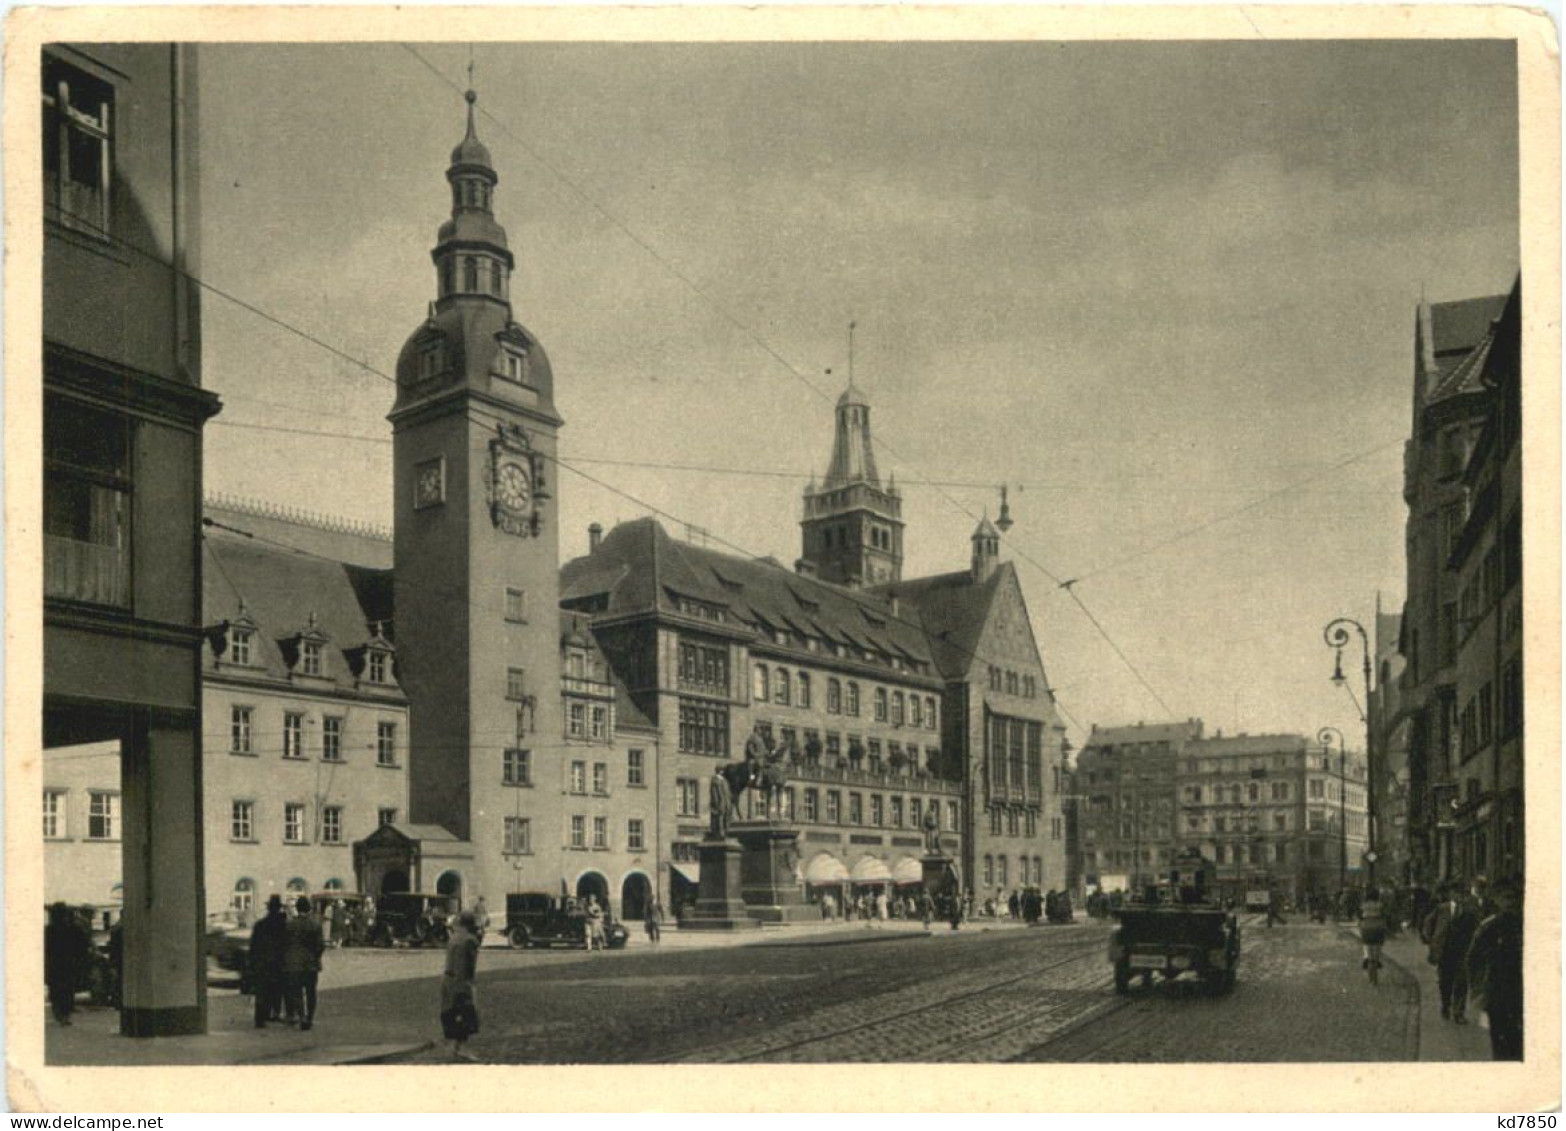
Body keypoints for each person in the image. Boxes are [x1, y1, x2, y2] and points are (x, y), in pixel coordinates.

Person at [1466, 878, 1523, 1060]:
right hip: (1497, 992)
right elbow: (1473, 960)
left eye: (1514, 898)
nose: (1511, 902)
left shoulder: (1525, 925)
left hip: (1522, 994)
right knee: (1500, 1044)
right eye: (1505, 898)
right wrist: (1480, 989)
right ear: (1497, 900)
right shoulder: (1489, 927)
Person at [1426, 883, 1480, 1023]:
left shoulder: (1471, 911)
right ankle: (1445, 1005)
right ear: (1451, 895)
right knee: (1445, 982)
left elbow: (1476, 930)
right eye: (1456, 894)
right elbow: (1428, 923)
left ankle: (1458, 1013)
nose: (1459, 897)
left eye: (1462, 894)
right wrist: (1431, 940)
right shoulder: (1441, 909)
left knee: (1461, 982)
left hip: (1463, 950)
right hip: (1445, 951)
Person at [441, 910, 481, 1061]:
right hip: (461, 980)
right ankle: (462, 1048)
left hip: (448, 979)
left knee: (451, 1013)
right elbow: (468, 965)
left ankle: (454, 1047)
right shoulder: (469, 940)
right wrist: (468, 984)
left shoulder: (453, 938)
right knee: (467, 1014)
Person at [283, 895, 326, 1031]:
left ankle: (301, 1016)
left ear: (297, 908)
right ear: (309, 909)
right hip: (311, 964)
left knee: (297, 992)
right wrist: (316, 957)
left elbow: (284, 945)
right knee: (311, 992)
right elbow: (320, 945)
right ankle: (310, 1018)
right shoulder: (315, 924)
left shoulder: (290, 925)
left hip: (294, 964)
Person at [44, 903, 89, 1027]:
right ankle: (64, 1015)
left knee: (56, 990)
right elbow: (83, 946)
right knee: (67, 990)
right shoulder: (74, 929)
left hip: (54, 965)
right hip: (69, 964)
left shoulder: (49, 930)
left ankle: (60, 1014)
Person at [248, 895, 289, 1027]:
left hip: (262, 962)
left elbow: (253, 946)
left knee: (262, 990)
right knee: (277, 989)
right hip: (279, 961)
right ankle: (274, 1013)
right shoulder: (284, 925)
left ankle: (260, 1018)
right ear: (278, 908)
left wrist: (252, 962)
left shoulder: (260, 925)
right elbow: (287, 944)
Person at [1358, 886, 1388, 972]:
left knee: (1365, 942)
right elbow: (1385, 914)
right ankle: (1377, 958)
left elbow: (1359, 916)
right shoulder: (1380, 905)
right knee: (1379, 943)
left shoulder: (1363, 905)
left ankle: (1366, 956)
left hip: (1366, 926)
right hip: (1378, 927)